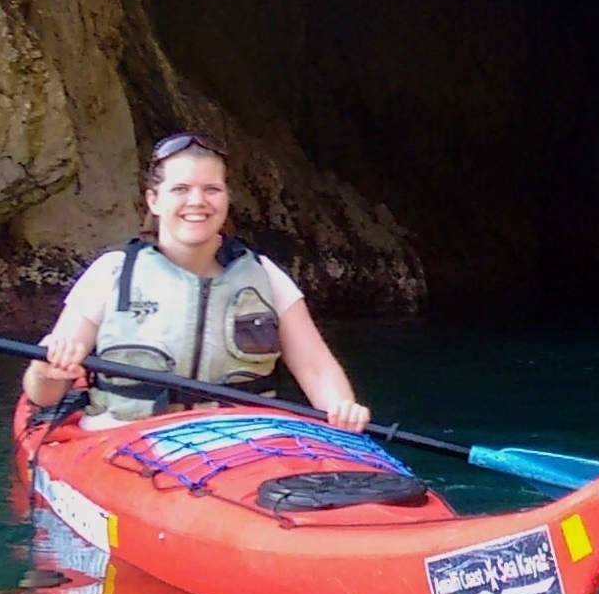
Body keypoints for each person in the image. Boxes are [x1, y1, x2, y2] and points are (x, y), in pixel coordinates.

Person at [20, 132, 373, 433]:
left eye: (211, 189)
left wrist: (342, 408)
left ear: (226, 198)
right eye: (181, 189)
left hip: (239, 448)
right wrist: (46, 371)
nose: (197, 201)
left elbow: (316, 368)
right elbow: (44, 395)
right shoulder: (112, 273)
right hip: (124, 443)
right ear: (154, 201)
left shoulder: (265, 276)